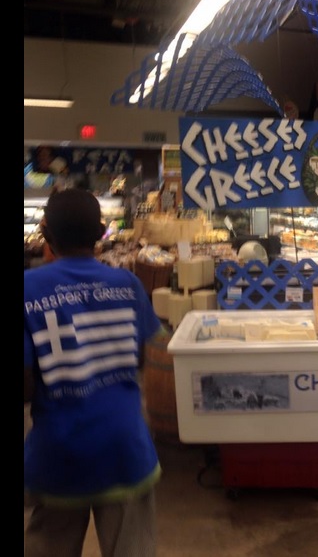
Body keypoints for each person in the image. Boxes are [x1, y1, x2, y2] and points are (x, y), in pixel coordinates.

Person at [24, 188, 166, 557]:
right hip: (125, 448)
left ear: (46, 234)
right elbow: (139, 358)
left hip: (59, 453)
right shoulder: (128, 285)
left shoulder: (28, 290)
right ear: (101, 233)